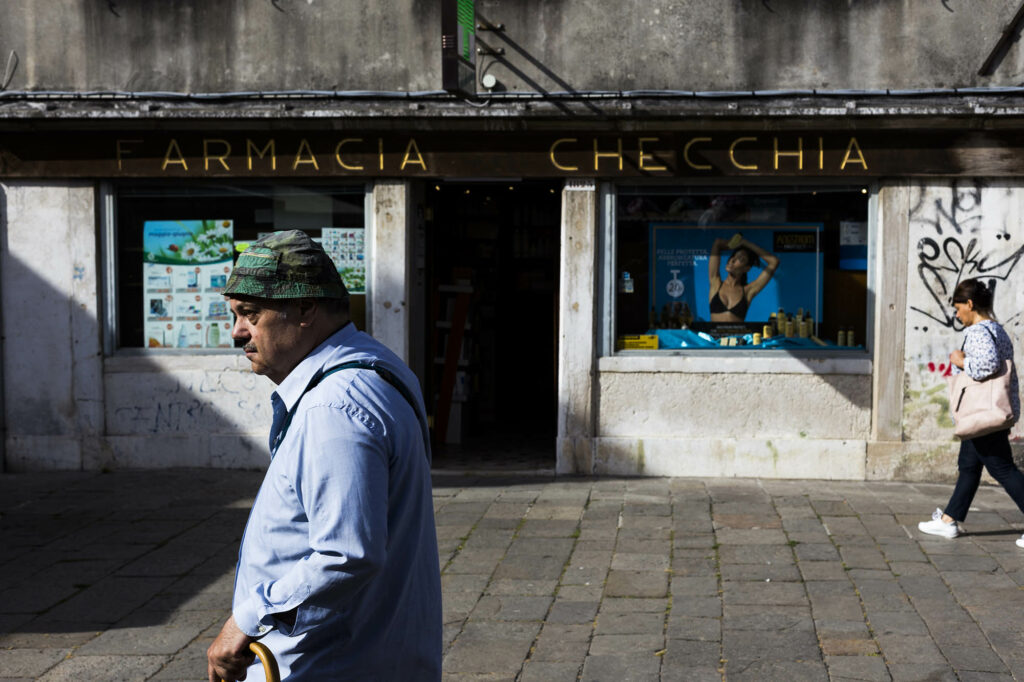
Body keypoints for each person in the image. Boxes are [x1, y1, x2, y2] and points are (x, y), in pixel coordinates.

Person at [206, 230, 442, 681]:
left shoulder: (333, 407)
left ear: (305, 310)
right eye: (235, 315)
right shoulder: (381, 365)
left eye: (251, 315)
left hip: (328, 665)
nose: (237, 332)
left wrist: (247, 620)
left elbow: (345, 555)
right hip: (375, 652)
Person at [918, 278, 1023, 545]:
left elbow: (986, 366)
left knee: (1002, 469)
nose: (956, 314)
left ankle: (948, 521)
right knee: (968, 466)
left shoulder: (977, 332)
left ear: (970, 304)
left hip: (983, 413)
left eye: (958, 308)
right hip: (991, 410)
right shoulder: (997, 329)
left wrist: (960, 360)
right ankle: (948, 521)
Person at [707, 233, 780, 323]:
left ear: (747, 268)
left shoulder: (748, 291)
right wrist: (734, 244)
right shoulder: (715, 283)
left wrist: (745, 243)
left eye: (740, 259)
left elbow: (774, 261)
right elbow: (717, 243)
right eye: (733, 256)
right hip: (714, 337)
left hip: (738, 337)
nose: (732, 260)